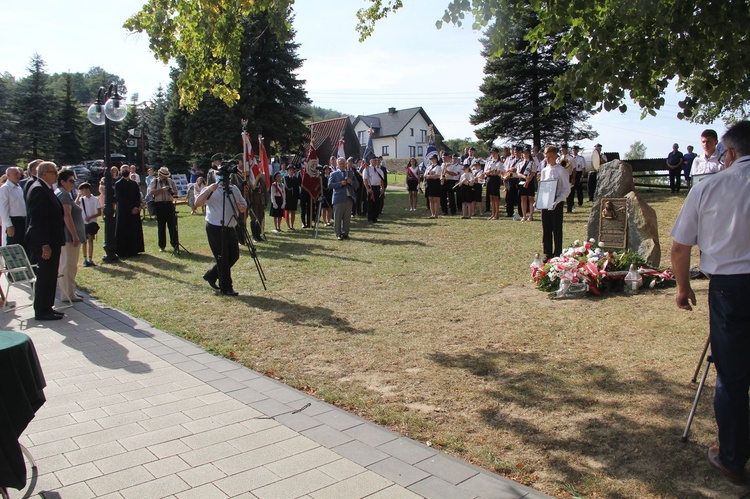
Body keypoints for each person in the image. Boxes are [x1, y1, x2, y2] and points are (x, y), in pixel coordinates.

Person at [670, 120, 750, 485]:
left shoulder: (711, 186)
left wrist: (683, 287)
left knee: (732, 376)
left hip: (729, 289)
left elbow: (679, 247)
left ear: (728, 153)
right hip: (729, 288)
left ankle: (733, 458)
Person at [194, 171, 247, 296]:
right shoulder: (211, 189)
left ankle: (211, 275)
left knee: (234, 256)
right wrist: (208, 190)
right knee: (222, 257)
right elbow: (197, 203)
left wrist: (242, 207)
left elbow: (244, 205)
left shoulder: (233, 189)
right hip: (215, 227)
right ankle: (226, 287)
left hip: (230, 226)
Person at [24, 161, 65, 321]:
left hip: (53, 240)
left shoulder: (46, 189)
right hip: (45, 242)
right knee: (45, 276)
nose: (56, 175)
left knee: (50, 275)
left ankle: (48, 307)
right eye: (54, 172)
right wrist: (44, 244)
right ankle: (42, 310)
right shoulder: (38, 190)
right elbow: (38, 220)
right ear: (45, 173)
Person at [55, 169, 85, 303]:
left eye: (74, 181)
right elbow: (66, 215)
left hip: (68, 236)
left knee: (67, 264)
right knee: (69, 265)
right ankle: (68, 293)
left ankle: (69, 292)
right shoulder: (63, 195)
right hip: (69, 237)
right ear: (62, 182)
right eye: (71, 181)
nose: (73, 183)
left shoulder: (63, 194)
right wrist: (74, 235)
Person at [540, 145, 571, 261]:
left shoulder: (561, 170)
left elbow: (566, 189)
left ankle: (558, 253)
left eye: (549, 157)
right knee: (546, 228)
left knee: (556, 229)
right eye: (545, 157)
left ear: (555, 156)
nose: (547, 159)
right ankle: (548, 253)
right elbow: (543, 187)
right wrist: (540, 201)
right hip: (546, 203)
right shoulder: (544, 170)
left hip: (556, 203)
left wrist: (558, 200)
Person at [114, 165, 145, 257]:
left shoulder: (134, 183)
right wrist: (131, 208)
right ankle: (122, 251)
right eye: (123, 170)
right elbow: (120, 198)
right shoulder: (118, 184)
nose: (125, 171)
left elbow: (137, 196)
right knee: (123, 230)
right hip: (124, 211)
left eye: (127, 169)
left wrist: (136, 206)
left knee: (134, 229)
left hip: (134, 211)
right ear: (120, 171)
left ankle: (134, 249)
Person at [148, 167, 179, 252]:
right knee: (161, 226)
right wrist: (162, 190)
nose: (165, 178)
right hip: (159, 204)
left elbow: (176, 192)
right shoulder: (155, 181)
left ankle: (175, 244)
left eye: (166, 176)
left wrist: (171, 191)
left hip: (169, 204)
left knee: (172, 225)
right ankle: (162, 245)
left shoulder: (170, 181)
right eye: (164, 176)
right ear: (160, 175)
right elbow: (150, 192)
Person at [329, 157, 359, 240]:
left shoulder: (350, 173)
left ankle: (346, 233)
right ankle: (338, 234)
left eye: (343, 163)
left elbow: (357, 185)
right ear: (337, 164)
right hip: (338, 199)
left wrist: (351, 182)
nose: (342, 164)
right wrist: (340, 183)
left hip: (349, 199)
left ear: (346, 164)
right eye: (340, 163)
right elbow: (330, 185)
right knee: (337, 218)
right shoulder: (333, 174)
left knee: (347, 218)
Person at [0, 167, 27, 246]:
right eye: (15, 174)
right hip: (14, 221)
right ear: (8, 175)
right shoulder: (5, 189)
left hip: (23, 221)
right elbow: (3, 209)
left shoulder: (19, 188)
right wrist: (9, 225)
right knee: (13, 247)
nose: (18, 176)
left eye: (19, 173)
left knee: (23, 247)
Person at [76, 182, 101, 267]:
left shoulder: (95, 199)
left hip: (92, 223)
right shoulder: (82, 199)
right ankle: (85, 259)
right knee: (84, 241)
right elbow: (75, 204)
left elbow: (99, 212)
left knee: (90, 240)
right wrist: (79, 196)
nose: (81, 192)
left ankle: (90, 258)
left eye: (82, 190)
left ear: (87, 189)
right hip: (84, 222)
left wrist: (90, 217)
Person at [518, 146, 538, 222]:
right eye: (523, 153)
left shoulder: (532, 163)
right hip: (522, 180)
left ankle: (531, 215)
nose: (525, 154)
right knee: (523, 198)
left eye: (526, 153)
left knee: (530, 198)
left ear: (529, 154)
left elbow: (533, 173)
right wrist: (524, 177)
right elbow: (518, 173)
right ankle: (524, 215)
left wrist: (528, 181)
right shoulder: (520, 163)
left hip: (530, 181)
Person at [363, 157, 385, 223]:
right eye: (374, 160)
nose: (376, 162)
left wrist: (382, 188)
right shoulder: (367, 170)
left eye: (377, 160)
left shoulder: (379, 170)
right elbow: (365, 180)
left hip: (377, 187)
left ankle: (375, 217)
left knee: (377, 203)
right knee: (370, 203)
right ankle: (370, 218)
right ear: (371, 161)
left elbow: (381, 180)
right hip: (371, 187)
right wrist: (368, 189)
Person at [485, 147, 504, 220]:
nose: (492, 154)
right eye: (491, 153)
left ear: (497, 153)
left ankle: (497, 214)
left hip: (495, 179)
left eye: (494, 153)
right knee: (491, 197)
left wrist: (491, 172)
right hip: (489, 178)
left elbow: (497, 172)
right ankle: (493, 213)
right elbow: (486, 171)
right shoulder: (489, 162)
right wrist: (490, 172)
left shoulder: (499, 163)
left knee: (496, 197)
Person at [423, 154, 442, 219]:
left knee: (436, 199)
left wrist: (430, 176)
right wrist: (430, 176)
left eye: (433, 159)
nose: (432, 160)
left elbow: (437, 175)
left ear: (436, 159)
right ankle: (432, 214)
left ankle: (436, 214)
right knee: (430, 199)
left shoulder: (438, 167)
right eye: (431, 159)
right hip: (429, 183)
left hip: (435, 183)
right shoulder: (429, 166)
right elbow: (425, 175)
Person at [283, 164, 300, 230]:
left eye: (292, 170)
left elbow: (297, 188)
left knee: (293, 211)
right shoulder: (285, 178)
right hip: (287, 197)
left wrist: (298, 198)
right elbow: (287, 187)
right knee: (287, 211)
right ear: (287, 171)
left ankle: (292, 225)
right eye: (290, 170)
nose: (291, 171)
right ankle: (288, 225)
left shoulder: (295, 178)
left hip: (294, 197)